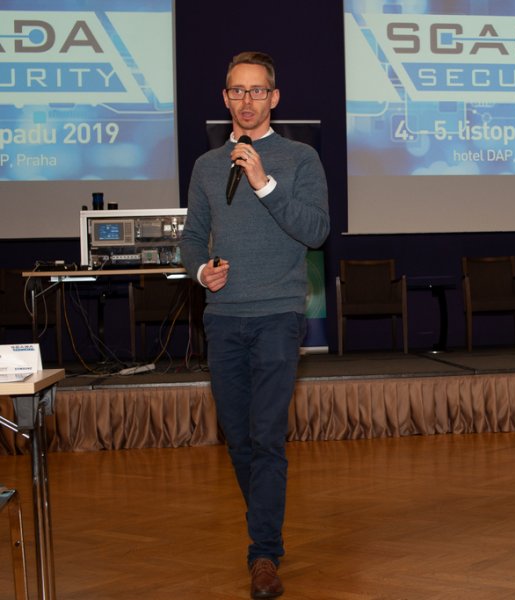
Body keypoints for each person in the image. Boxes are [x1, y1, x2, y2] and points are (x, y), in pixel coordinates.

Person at [180, 51, 330, 599]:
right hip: (224, 319)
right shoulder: (205, 166)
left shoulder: (301, 159)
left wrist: (265, 184)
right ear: (225, 98)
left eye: (257, 90)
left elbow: (316, 231)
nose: (247, 100)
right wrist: (201, 271)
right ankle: (264, 527)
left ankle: (264, 553)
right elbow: (192, 238)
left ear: (274, 97)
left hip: (278, 315)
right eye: (238, 91)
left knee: (266, 437)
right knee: (240, 439)